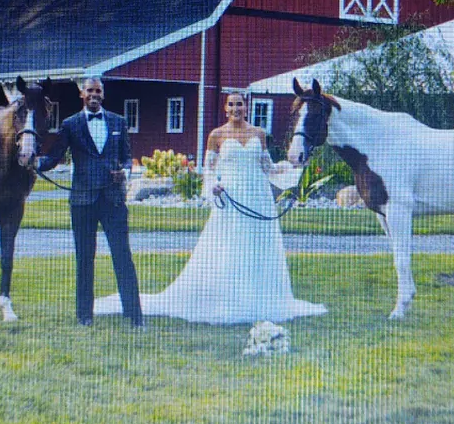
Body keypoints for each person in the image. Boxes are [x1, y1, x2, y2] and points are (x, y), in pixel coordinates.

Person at [95, 92, 326, 324]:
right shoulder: (216, 135)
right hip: (230, 197)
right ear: (226, 108)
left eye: (240, 104)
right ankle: (228, 298)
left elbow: (268, 167)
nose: (236, 108)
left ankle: (256, 298)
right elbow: (208, 169)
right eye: (232, 105)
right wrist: (214, 186)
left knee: (257, 246)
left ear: (245, 107)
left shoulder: (258, 133)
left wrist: (293, 169)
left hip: (257, 196)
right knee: (229, 247)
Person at [38, 76, 144, 328]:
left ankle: (135, 316)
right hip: (83, 201)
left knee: (123, 257)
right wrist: (34, 164)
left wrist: (125, 172)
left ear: (103, 95)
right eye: (89, 91)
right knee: (85, 258)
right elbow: (54, 156)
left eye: (98, 91)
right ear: (81, 94)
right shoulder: (70, 124)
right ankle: (84, 316)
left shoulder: (118, 121)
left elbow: (127, 157)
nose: (94, 94)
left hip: (113, 199)